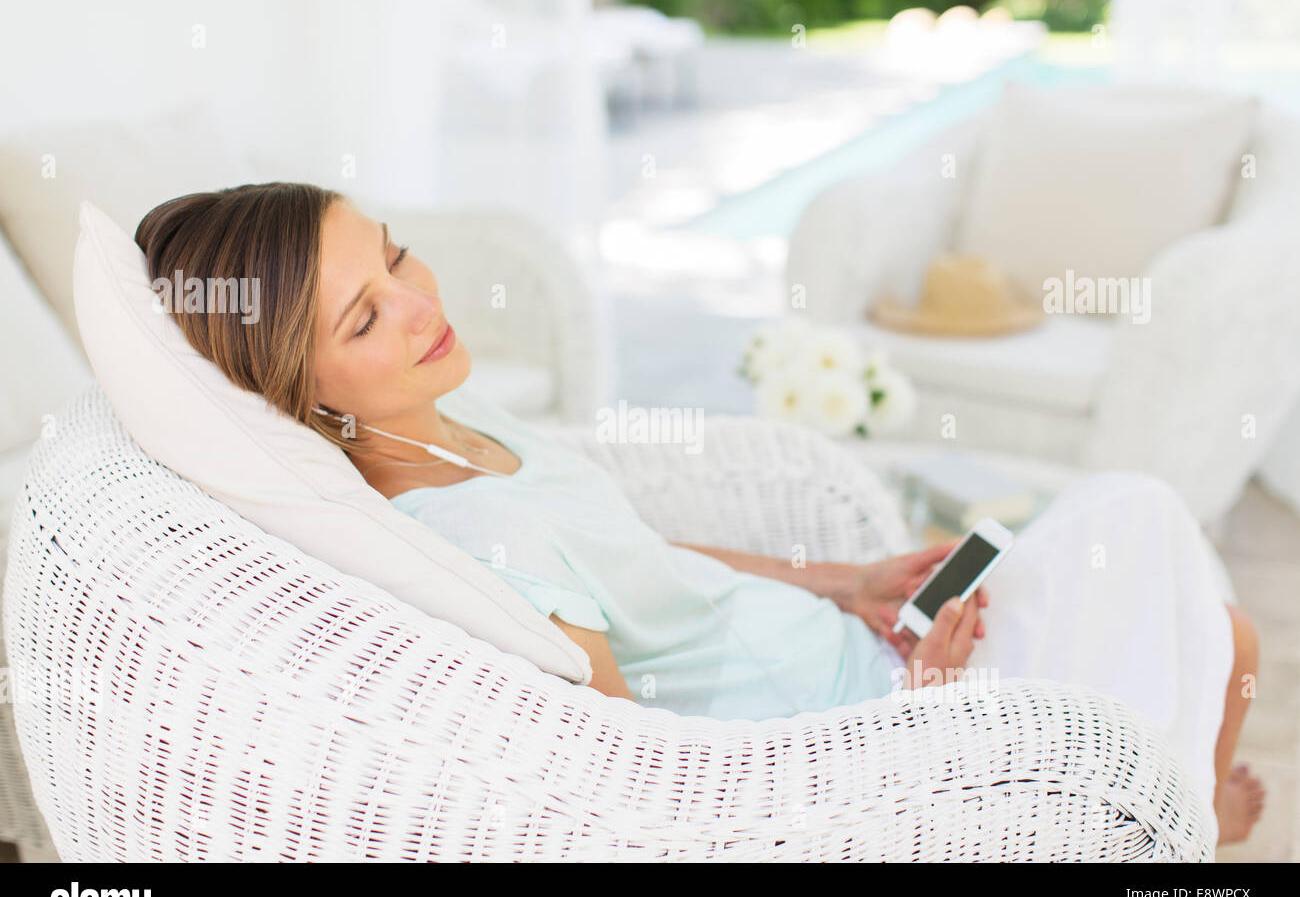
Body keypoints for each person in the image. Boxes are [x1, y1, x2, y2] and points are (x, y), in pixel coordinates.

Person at [134, 182, 1264, 845]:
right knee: (1215, 631)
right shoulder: (473, 537)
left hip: (864, 650)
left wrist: (845, 581)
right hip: (866, 740)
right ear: (302, 385)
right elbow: (647, 795)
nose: (422, 302)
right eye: (367, 316)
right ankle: (1185, 823)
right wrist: (924, 715)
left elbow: (629, 558)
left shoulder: (445, 407)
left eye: (393, 256)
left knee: (1142, 520)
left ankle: (1188, 804)